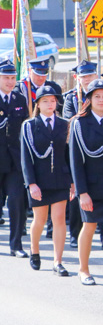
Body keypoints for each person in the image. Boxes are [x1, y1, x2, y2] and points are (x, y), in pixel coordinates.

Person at [69, 79, 103, 287]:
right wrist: (82, 192)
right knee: (89, 226)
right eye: (97, 96)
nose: (102, 100)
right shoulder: (79, 123)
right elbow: (75, 160)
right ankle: (83, 269)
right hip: (90, 187)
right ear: (89, 99)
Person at [21, 85, 71, 275]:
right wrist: (31, 183)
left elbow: (69, 155)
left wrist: (73, 181)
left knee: (58, 219)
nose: (50, 104)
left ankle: (58, 261)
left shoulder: (64, 124)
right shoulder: (30, 126)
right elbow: (26, 157)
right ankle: (35, 251)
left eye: (53, 101)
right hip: (39, 180)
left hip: (60, 179)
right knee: (40, 219)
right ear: (38, 104)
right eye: (45, 101)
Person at [63, 60, 100, 250]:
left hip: (99, 148)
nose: (86, 79)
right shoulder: (71, 98)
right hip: (78, 147)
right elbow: (70, 120)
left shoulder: (102, 94)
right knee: (78, 191)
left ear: (95, 75)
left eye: (90, 75)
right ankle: (75, 233)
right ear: (77, 78)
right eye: (83, 76)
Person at [0, 59, 29, 258]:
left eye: (13, 78)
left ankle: (16, 244)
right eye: (6, 78)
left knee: (17, 201)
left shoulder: (19, 99)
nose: (10, 82)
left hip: (15, 161)